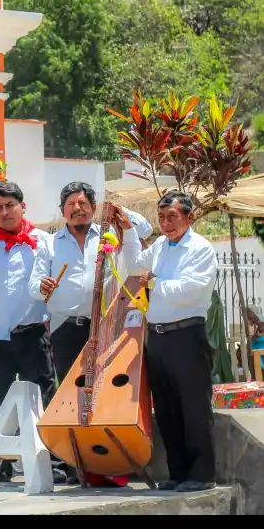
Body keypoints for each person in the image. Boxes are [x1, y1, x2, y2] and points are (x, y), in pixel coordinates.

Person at [28, 182, 150, 486]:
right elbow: (33, 285)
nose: (77, 209)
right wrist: (42, 286)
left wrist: (118, 212)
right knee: (74, 399)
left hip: (107, 325)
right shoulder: (50, 243)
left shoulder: (109, 234)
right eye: (70, 205)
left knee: (105, 397)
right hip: (66, 328)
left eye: (83, 204)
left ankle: (114, 463)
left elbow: (145, 229)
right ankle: (78, 466)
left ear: (93, 209)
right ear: (62, 212)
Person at [0, 181, 65, 484]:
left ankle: (53, 466)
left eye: (10, 206)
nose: (5, 212)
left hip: (33, 334)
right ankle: (1, 467)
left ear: (22, 206)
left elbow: (46, 283)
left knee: (42, 401)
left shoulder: (42, 240)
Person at [119, 191, 217, 493]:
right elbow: (135, 265)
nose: (165, 223)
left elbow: (190, 289)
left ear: (189, 217)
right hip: (159, 337)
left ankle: (201, 475)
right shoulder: (160, 245)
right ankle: (177, 473)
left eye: (172, 217)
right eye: (161, 217)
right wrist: (127, 230)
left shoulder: (201, 248)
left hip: (187, 335)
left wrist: (154, 282)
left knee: (194, 408)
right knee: (166, 408)